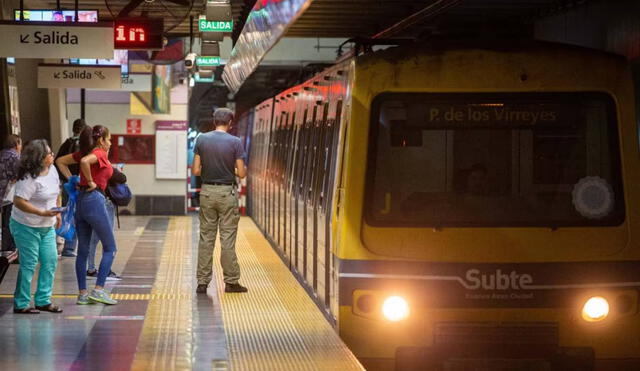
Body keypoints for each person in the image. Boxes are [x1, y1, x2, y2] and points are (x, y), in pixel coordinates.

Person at [56, 125, 118, 305]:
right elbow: (84, 163)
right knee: (110, 248)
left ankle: (82, 293)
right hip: (95, 200)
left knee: (83, 249)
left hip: (81, 202)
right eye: (109, 139)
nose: (110, 143)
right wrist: (90, 181)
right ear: (101, 140)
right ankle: (99, 290)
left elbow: (60, 161)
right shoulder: (99, 153)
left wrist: (72, 180)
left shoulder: (83, 152)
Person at [193, 108, 247, 294]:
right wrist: (228, 170)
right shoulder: (235, 142)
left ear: (214, 121)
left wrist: (210, 168)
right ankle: (231, 282)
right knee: (227, 240)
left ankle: (202, 282)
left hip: (207, 192)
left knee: (206, 238)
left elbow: (196, 170)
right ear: (230, 123)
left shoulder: (201, 139)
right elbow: (241, 173)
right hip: (226, 194)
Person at [11, 140, 63, 314]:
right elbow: (18, 202)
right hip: (25, 225)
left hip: (46, 225)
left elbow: (57, 191)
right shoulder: (28, 178)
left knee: (50, 260)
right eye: (49, 154)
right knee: (29, 263)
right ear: (39, 157)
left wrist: (57, 212)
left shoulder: (53, 170)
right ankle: (21, 303)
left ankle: (43, 300)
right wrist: (41, 213)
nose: (52, 155)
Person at [86, 167, 126, 280]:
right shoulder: (105, 165)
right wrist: (116, 169)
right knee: (108, 240)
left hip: (93, 201)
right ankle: (106, 270)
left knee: (93, 239)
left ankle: (91, 268)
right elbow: (122, 178)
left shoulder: (89, 166)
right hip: (105, 203)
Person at [56, 119, 87, 257]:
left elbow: (57, 162)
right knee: (78, 215)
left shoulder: (67, 144)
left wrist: (68, 178)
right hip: (81, 185)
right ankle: (70, 248)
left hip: (68, 185)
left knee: (67, 213)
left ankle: (62, 242)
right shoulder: (86, 147)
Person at [0, 134, 22, 254]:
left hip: (2, 193)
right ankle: (11, 248)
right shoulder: (15, 157)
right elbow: (18, 175)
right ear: (16, 144)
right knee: (12, 220)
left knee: (4, 221)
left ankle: (5, 247)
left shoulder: (1, 154)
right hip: (11, 193)